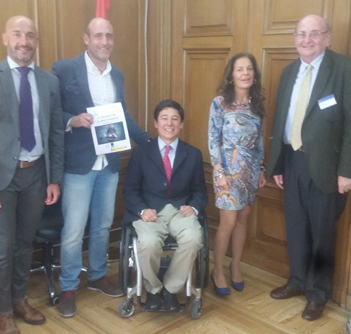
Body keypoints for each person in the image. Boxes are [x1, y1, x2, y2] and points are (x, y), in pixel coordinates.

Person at [0, 16, 64, 334]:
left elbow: (55, 135)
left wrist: (54, 179)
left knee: (25, 243)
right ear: (4, 38)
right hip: (0, 181)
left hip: (37, 175)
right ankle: (3, 312)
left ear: (36, 41)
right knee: (2, 247)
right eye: (18, 34)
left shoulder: (49, 81)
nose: (25, 41)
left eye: (30, 35)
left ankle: (19, 299)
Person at [265, 14, 351, 321]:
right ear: (294, 38)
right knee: (296, 227)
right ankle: (297, 280)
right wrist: (279, 163)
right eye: (301, 34)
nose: (306, 40)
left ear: (328, 37)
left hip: (328, 167)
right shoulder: (288, 72)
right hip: (293, 161)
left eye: (314, 34)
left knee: (323, 232)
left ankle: (318, 293)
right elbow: (281, 118)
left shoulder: (347, 70)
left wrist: (348, 170)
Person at [51, 17, 150, 317]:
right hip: (78, 164)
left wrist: (149, 142)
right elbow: (52, 112)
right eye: (98, 36)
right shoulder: (64, 69)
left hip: (108, 162)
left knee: (103, 225)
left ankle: (96, 276)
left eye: (109, 36)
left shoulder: (116, 75)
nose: (105, 41)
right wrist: (73, 119)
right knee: (73, 230)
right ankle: (68, 286)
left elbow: (123, 116)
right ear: (86, 38)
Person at [123, 99, 207, 311]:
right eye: (164, 118)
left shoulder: (193, 154)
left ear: (181, 124)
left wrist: (194, 208)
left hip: (181, 211)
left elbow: (200, 191)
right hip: (150, 212)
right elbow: (130, 190)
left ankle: (170, 288)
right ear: (155, 123)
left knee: (194, 237)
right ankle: (153, 289)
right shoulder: (141, 153)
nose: (169, 123)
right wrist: (142, 210)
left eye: (175, 119)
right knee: (148, 242)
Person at [208, 53, 266, 296]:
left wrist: (261, 168)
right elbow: (212, 139)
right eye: (240, 69)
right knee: (228, 221)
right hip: (226, 170)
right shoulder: (220, 103)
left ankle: (236, 265)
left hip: (250, 170)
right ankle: (217, 269)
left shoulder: (257, 104)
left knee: (243, 219)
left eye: (249, 69)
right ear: (231, 75)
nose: (245, 73)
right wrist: (218, 170)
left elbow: (260, 141)